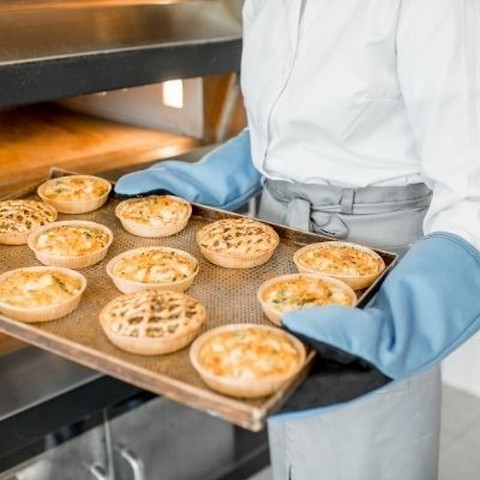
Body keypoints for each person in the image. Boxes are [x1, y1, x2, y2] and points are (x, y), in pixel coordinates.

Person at [114, 1, 480, 478]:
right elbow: (293, 127)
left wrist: (408, 317)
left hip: (383, 267)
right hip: (277, 245)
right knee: (295, 452)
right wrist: (215, 176)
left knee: (364, 450)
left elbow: (472, 189)